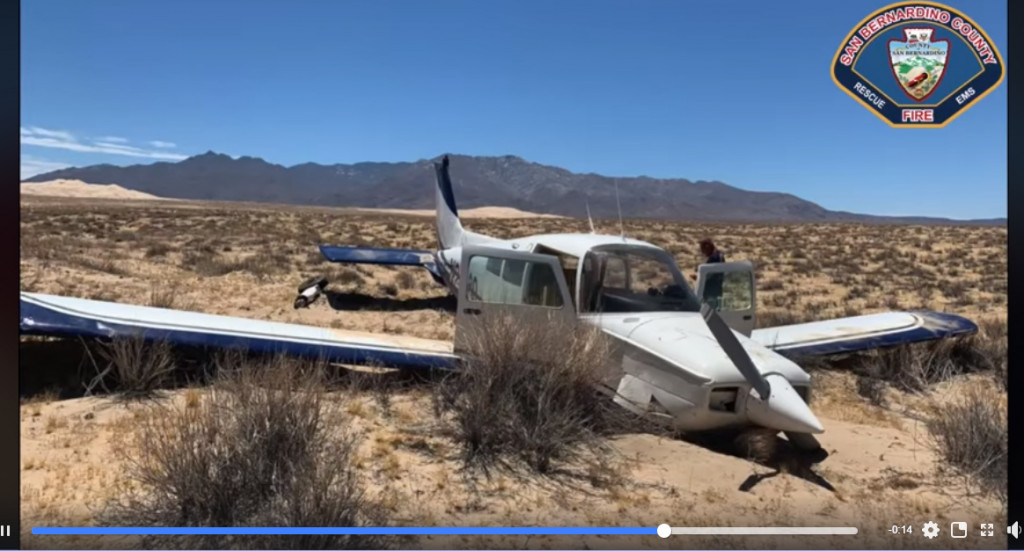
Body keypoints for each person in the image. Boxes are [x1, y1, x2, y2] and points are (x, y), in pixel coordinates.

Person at [696, 238, 725, 309]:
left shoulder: (714, 258)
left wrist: (698, 276)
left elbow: (709, 275)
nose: (702, 252)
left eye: (702, 249)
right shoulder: (719, 255)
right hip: (717, 290)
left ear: (707, 247)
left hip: (711, 292)